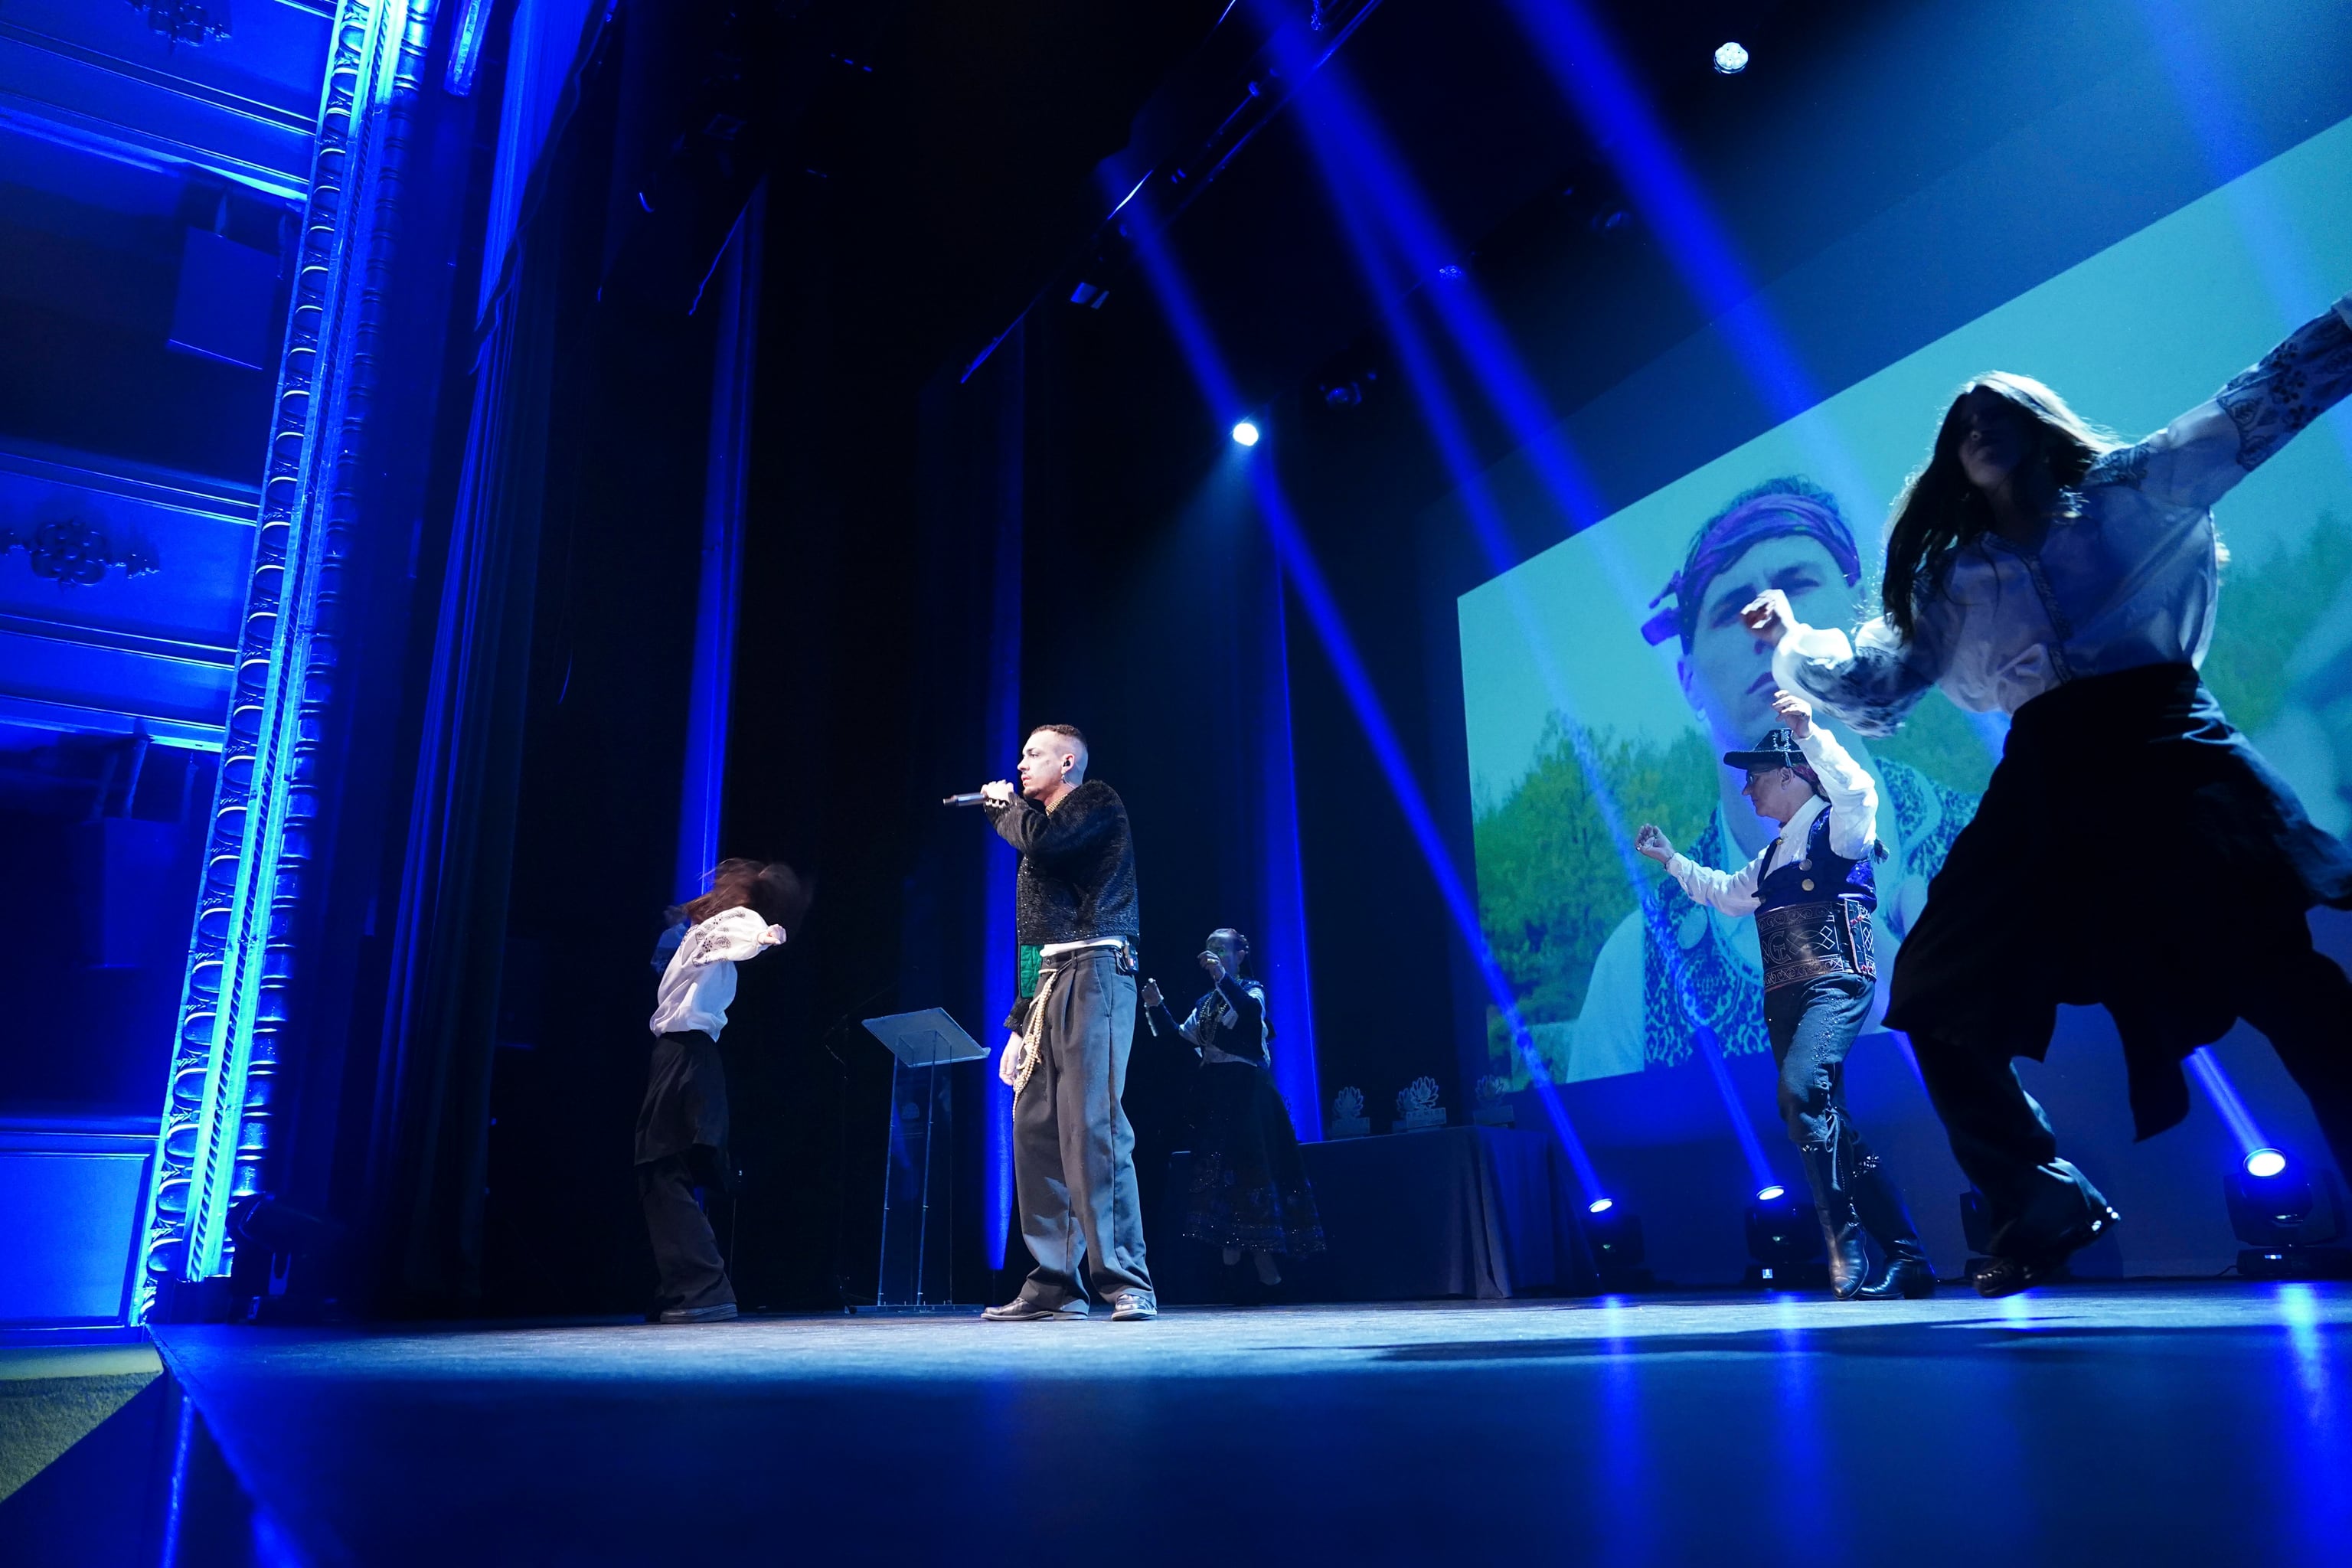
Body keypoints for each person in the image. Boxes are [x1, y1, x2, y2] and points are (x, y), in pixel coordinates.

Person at [1749, 289, 2352, 1296]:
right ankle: (2040, 1197)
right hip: (2046, 785)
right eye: (1963, 423)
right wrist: (1796, 645)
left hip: (2167, 752)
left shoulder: (2140, 488)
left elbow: (2262, 401)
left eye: (1997, 409)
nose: (1979, 424)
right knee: (1938, 992)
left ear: (2039, 424)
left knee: (2285, 986)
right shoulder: (1952, 579)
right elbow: (1880, 682)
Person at [1550, 479, 1978, 1082]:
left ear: (1860, 617)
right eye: (1731, 610)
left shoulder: (1990, 851)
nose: (1767, 622)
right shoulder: (1637, 970)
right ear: (1688, 681)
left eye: (1797, 583)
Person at [1635, 694, 1934, 1299]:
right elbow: (1723, 893)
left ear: (1792, 774)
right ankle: (1909, 1258)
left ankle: (1842, 1241)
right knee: (1829, 1122)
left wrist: (1810, 732)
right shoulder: (1771, 856)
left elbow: (1859, 792)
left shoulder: (1840, 826)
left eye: (1755, 780)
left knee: (1800, 1096)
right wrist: (1671, 861)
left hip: (1835, 983)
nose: (1746, 793)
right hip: (1786, 1001)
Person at [978, 724, 1156, 1322]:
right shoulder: (1035, 834)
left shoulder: (1094, 803)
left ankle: (1126, 1280)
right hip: (1049, 980)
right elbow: (1035, 935)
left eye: (1034, 754)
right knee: (1033, 1130)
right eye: (1022, 756)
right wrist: (1016, 1023)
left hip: (1098, 969)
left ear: (1069, 761)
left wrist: (1003, 812)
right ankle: (1054, 1283)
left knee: (1092, 1125)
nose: (1022, 765)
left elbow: (1048, 847)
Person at [638, 858, 809, 1324]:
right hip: (683, 1055)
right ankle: (688, 1287)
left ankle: (702, 1288)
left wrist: (763, 937)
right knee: (665, 1171)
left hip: (686, 1054)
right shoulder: (700, 929)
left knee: (661, 1168)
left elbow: (741, 932)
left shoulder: (734, 920)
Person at [1142, 928, 1325, 1292]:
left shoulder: (1251, 990)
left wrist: (1222, 978)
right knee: (1219, 1172)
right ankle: (1235, 1258)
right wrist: (1155, 1005)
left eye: (1221, 949)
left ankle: (1262, 1260)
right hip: (1216, 1095)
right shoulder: (1206, 1002)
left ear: (1240, 954)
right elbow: (1182, 1039)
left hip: (1248, 1094)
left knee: (1250, 1169)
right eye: (1209, 949)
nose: (1214, 954)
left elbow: (1248, 1010)